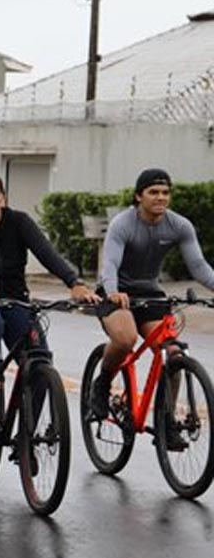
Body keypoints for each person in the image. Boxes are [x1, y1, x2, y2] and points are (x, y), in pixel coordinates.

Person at [0, 171, 98, 425]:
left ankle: (26, 434)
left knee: (39, 361)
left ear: (4, 197)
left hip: (15, 301)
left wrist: (74, 282)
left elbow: (46, 253)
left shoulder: (19, 222)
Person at [90, 169, 214, 445]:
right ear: (139, 196)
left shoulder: (179, 226)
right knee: (125, 339)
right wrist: (113, 292)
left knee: (173, 352)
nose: (161, 198)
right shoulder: (123, 223)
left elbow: (199, 268)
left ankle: (166, 423)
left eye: (165, 193)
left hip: (149, 293)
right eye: (153, 192)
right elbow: (109, 263)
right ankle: (102, 383)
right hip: (116, 291)